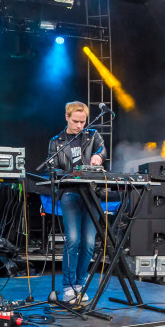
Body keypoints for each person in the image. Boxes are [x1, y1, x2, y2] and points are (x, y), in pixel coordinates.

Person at [47, 101, 106, 303]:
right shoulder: (56, 142)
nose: (80, 125)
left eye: (83, 121)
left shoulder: (93, 136)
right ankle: (68, 286)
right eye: (75, 121)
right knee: (73, 240)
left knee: (88, 242)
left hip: (91, 194)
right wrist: (69, 174)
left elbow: (102, 151)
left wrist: (98, 157)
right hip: (70, 193)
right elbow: (52, 168)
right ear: (67, 117)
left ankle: (80, 283)